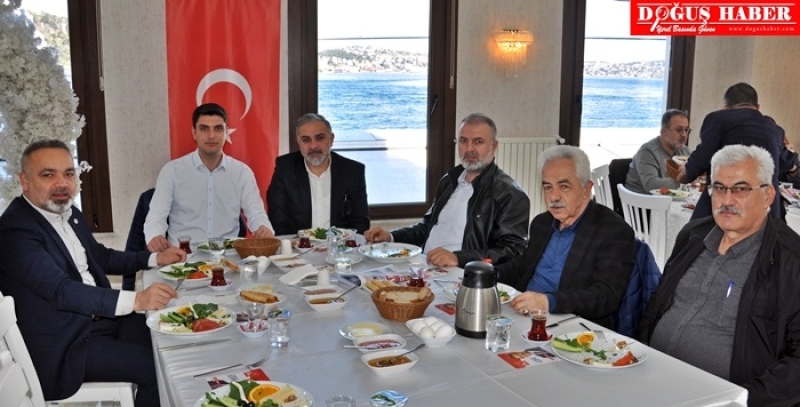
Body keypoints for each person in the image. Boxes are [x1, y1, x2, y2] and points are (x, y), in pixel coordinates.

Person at [0, 140, 186, 406]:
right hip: (65, 345)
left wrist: (154, 258)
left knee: (168, 337)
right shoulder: (15, 231)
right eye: (48, 175)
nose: (62, 183)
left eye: (68, 174)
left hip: (98, 323)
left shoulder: (68, 213)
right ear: (25, 181)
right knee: (154, 369)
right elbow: (61, 291)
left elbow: (100, 257)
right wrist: (137, 300)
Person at [638, 144, 800, 405]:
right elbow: (657, 304)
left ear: (768, 195)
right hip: (650, 380)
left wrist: (742, 400)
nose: (727, 200)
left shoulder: (791, 262)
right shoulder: (692, 236)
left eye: (741, 189)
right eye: (719, 188)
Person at [364, 113, 529, 267]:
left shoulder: (509, 194)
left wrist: (459, 258)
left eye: (478, 142)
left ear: (494, 146)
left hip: (463, 276)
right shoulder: (449, 181)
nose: (469, 149)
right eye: (463, 141)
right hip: (424, 266)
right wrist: (391, 237)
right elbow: (428, 227)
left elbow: (513, 251)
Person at [498, 145, 635, 329]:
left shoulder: (613, 231)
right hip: (524, 312)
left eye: (564, 186)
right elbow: (524, 265)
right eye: (548, 187)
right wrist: (489, 274)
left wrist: (548, 302)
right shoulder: (542, 223)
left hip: (572, 325)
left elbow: (605, 296)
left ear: (586, 189)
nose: (553, 197)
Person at [144, 103, 274, 252]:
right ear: (194, 133)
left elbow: (256, 214)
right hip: (183, 257)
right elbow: (156, 217)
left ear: (226, 132)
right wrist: (155, 236)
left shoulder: (241, 173)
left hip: (227, 257)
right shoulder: (172, 171)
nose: (211, 135)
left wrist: (263, 228)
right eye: (204, 128)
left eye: (218, 128)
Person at [677, 82, 795, 221]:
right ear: (758, 107)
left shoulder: (718, 119)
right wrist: (794, 166)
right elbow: (787, 161)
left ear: (726, 108)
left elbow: (704, 155)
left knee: (695, 231)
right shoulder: (773, 128)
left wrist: (688, 171)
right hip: (766, 212)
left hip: (726, 207)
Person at [267, 113, 369, 235]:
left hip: (339, 245)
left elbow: (360, 223)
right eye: (306, 140)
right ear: (298, 142)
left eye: (320, 138)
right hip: (298, 244)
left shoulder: (352, 171)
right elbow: (277, 221)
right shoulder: (285, 168)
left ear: (331, 139)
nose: (313, 146)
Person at [624, 109, 692, 194]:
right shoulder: (647, 152)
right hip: (642, 200)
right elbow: (651, 185)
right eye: (679, 130)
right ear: (664, 131)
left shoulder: (684, 151)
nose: (684, 135)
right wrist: (684, 180)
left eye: (686, 130)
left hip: (668, 198)